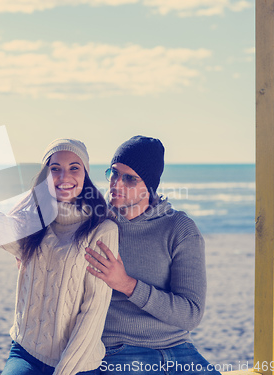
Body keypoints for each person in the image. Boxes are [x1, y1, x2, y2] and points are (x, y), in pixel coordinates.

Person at [0, 139, 119, 375]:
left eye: (74, 168)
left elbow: (93, 311)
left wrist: (63, 371)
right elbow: (1, 227)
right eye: (55, 168)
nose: (63, 176)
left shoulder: (103, 229)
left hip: (78, 364)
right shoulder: (34, 218)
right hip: (26, 351)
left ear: (85, 175)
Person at [84, 136, 221, 375]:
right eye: (114, 173)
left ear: (149, 186)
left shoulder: (179, 228)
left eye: (129, 178)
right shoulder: (96, 222)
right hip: (121, 350)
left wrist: (128, 285)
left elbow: (191, 313)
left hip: (179, 349)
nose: (116, 184)